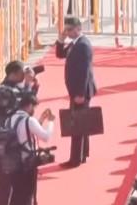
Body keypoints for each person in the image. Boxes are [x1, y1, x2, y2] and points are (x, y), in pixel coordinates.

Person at [0, 63, 40, 205]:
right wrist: (29, 85)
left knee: (2, 186)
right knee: (15, 187)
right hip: (11, 149)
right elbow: (27, 107)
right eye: (22, 72)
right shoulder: (10, 93)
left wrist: (32, 86)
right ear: (14, 73)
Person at [54, 16, 96, 168]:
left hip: (81, 91)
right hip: (77, 91)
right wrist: (60, 39)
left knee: (77, 124)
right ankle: (83, 154)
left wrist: (79, 94)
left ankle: (75, 159)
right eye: (66, 29)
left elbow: (84, 72)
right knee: (82, 122)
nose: (68, 32)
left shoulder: (83, 45)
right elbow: (60, 54)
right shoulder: (74, 44)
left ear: (79, 29)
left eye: (70, 29)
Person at [1, 91, 54, 205]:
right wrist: (50, 121)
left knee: (16, 194)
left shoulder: (9, 119)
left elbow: (23, 133)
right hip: (27, 164)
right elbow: (46, 136)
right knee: (27, 195)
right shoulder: (29, 120)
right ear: (29, 105)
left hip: (12, 162)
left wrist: (40, 120)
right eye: (34, 106)